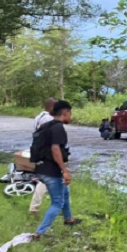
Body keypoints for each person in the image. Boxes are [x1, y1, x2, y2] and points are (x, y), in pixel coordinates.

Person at [32, 100, 82, 239]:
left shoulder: (46, 126)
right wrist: (64, 170)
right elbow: (55, 149)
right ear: (65, 113)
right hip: (51, 170)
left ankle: (69, 219)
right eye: (70, 114)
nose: (70, 117)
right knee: (57, 202)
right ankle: (39, 232)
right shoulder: (58, 128)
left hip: (41, 167)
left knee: (65, 191)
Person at [29, 97, 58, 216]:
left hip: (39, 150)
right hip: (47, 153)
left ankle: (61, 207)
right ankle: (34, 208)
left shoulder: (39, 117)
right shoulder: (48, 119)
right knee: (45, 181)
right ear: (51, 107)